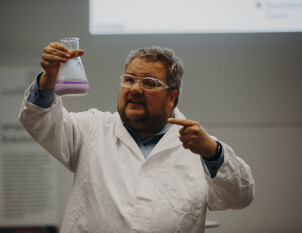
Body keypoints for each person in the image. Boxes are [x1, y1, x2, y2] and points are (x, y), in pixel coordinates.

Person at [19, 42, 255, 233]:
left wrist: (214, 153)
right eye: (129, 79)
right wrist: (48, 78)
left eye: (149, 83)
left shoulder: (198, 147)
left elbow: (241, 196)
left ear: (171, 97)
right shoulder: (91, 129)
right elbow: (39, 120)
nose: (134, 89)